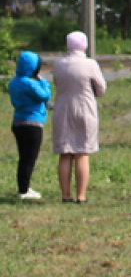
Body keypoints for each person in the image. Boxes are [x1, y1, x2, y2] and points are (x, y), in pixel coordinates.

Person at [52, 31, 107, 204]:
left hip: (62, 109)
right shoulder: (90, 64)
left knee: (65, 152)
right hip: (84, 109)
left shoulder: (58, 64)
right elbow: (101, 89)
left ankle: (66, 196)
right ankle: (81, 196)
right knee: (82, 152)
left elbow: (56, 83)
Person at [9, 49, 50, 200]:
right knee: (29, 158)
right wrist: (43, 81)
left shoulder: (14, 82)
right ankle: (24, 191)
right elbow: (45, 95)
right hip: (32, 123)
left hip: (18, 121)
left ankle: (23, 187)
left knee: (23, 157)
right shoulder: (30, 83)